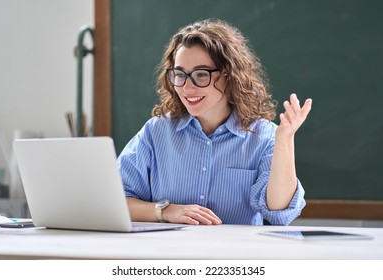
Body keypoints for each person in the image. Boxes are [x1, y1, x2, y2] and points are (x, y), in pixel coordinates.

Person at [117, 18, 312, 226]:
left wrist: (284, 140)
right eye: (180, 74)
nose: (187, 88)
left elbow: (279, 213)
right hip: (169, 255)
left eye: (201, 75)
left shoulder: (263, 136)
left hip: (235, 256)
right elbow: (116, 200)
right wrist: (165, 211)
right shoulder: (156, 132)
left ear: (229, 76)